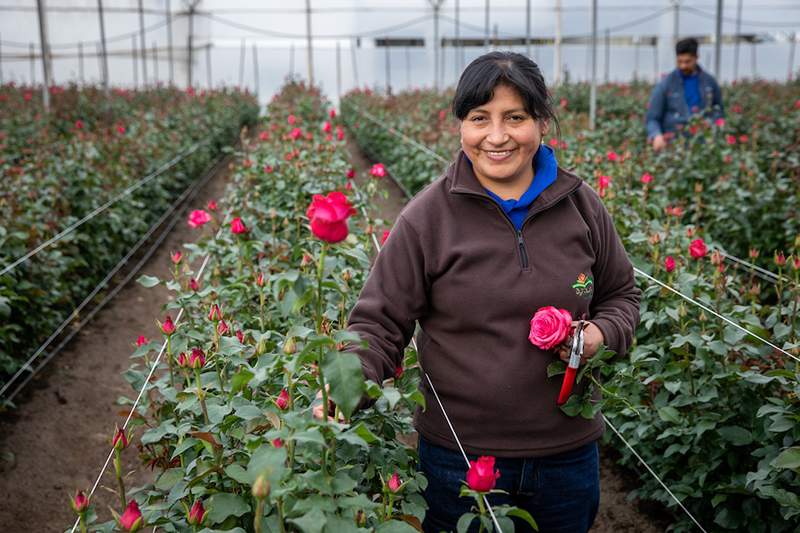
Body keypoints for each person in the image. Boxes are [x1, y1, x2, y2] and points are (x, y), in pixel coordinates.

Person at [340, 51, 641, 532]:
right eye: (480, 118)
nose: (497, 136)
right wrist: (344, 386)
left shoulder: (582, 206)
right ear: (461, 125)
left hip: (566, 460)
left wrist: (600, 335)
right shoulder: (426, 218)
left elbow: (622, 296)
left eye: (515, 118)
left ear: (542, 122)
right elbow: (379, 323)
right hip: (458, 460)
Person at [646, 37, 724, 151]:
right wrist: (656, 135)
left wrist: (713, 126)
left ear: (696, 57)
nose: (683, 66)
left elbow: (718, 110)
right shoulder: (666, 84)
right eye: (679, 61)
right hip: (674, 145)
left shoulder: (709, 82)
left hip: (702, 145)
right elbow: (652, 117)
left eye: (687, 61)